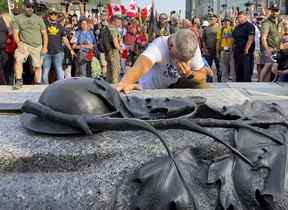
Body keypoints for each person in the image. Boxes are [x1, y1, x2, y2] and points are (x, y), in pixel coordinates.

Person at [116, 29, 208, 93]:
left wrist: (189, 74)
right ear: (171, 45)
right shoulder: (158, 47)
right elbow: (140, 66)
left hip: (170, 86)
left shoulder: (191, 46)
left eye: (185, 60)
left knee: (202, 86)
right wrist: (126, 82)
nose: (181, 62)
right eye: (178, 57)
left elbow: (202, 75)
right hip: (149, 89)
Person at [13, 0, 48, 89]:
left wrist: (45, 47)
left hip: (37, 45)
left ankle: (38, 83)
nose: (30, 9)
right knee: (18, 59)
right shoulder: (18, 18)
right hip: (24, 44)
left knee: (38, 66)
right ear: (24, 7)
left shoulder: (38, 19)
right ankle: (18, 80)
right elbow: (15, 33)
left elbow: (44, 34)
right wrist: (18, 43)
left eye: (32, 7)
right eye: (28, 6)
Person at [42, 8, 75, 84]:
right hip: (46, 52)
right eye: (51, 14)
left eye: (55, 14)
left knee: (59, 71)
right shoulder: (44, 24)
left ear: (57, 16)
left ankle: (60, 87)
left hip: (58, 52)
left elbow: (64, 38)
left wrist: (70, 49)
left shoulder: (60, 26)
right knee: (45, 71)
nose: (53, 15)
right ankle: (43, 89)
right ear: (48, 15)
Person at [260, 4, 284, 82]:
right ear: (271, 11)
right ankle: (260, 82)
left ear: (279, 11)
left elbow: (281, 35)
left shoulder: (280, 21)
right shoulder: (266, 22)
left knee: (271, 68)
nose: (274, 12)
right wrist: (268, 50)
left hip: (277, 48)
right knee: (267, 66)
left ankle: (266, 85)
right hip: (269, 47)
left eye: (276, 11)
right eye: (273, 10)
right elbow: (263, 38)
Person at [232, 11, 255, 82]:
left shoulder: (250, 26)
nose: (239, 19)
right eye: (238, 17)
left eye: (241, 17)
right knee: (238, 72)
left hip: (246, 53)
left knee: (246, 72)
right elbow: (234, 38)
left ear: (246, 17)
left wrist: (246, 49)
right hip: (237, 52)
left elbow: (250, 38)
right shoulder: (237, 27)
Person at [202, 14, 220, 81]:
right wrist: (204, 48)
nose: (210, 20)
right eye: (210, 19)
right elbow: (203, 39)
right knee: (208, 67)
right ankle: (209, 81)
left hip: (217, 50)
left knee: (219, 67)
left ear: (216, 20)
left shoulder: (219, 27)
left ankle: (220, 81)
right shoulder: (206, 28)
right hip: (208, 50)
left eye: (212, 19)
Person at [216, 17, 235, 82]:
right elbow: (218, 42)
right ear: (223, 22)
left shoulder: (233, 29)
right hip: (223, 50)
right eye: (225, 21)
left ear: (230, 22)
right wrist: (217, 52)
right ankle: (224, 81)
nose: (226, 22)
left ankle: (233, 81)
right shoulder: (220, 30)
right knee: (224, 67)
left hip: (232, 50)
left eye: (228, 21)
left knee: (232, 67)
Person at [105, 15, 122, 84]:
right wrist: (120, 49)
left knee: (109, 70)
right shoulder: (114, 30)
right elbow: (115, 43)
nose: (119, 24)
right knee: (115, 70)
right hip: (114, 52)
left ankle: (108, 85)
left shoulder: (107, 28)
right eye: (118, 22)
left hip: (108, 52)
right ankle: (115, 86)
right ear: (114, 21)